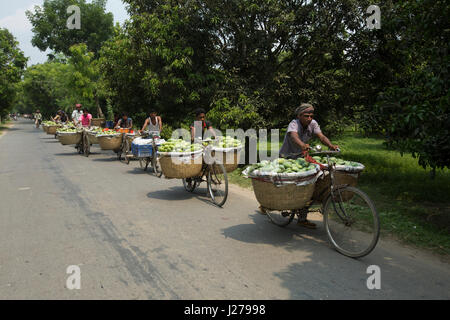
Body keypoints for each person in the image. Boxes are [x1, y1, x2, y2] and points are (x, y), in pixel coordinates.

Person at [277, 103, 339, 229]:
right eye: (306, 116)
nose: (309, 118)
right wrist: (302, 144)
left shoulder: (313, 123)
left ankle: (302, 218)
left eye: (311, 116)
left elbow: (321, 136)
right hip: (287, 157)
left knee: (309, 183)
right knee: (289, 185)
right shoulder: (294, 124)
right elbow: (293, 136)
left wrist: (331, 145)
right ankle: (274, 202)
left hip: (301, 157)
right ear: (299, 116)